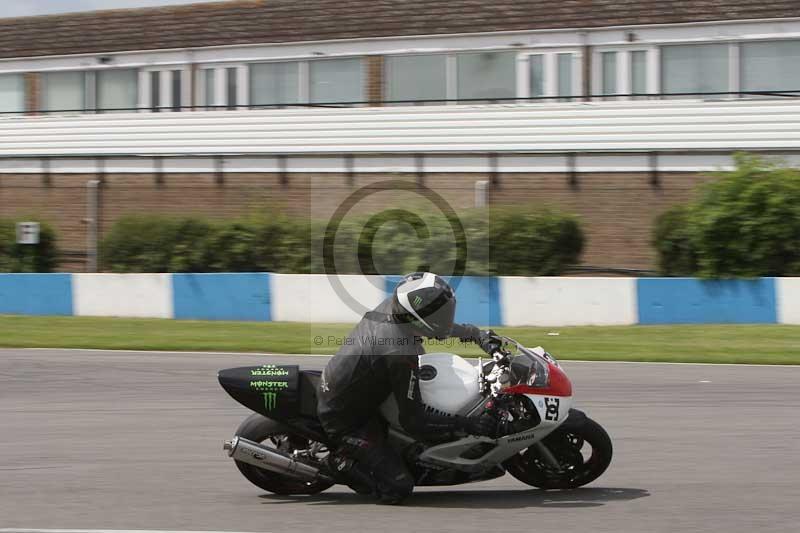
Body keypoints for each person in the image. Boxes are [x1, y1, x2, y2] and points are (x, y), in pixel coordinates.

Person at [317, 272, 504, 504]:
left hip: (353, 387)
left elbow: (436, 327)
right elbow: (414, 420)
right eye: (441, 314)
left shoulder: (395, 308)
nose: (446, 317)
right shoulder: (400, 352)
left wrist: (475, 334)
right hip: (348, 420)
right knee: (399, 487)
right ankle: (338, 463)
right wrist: (468, 424)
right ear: (419, 318)